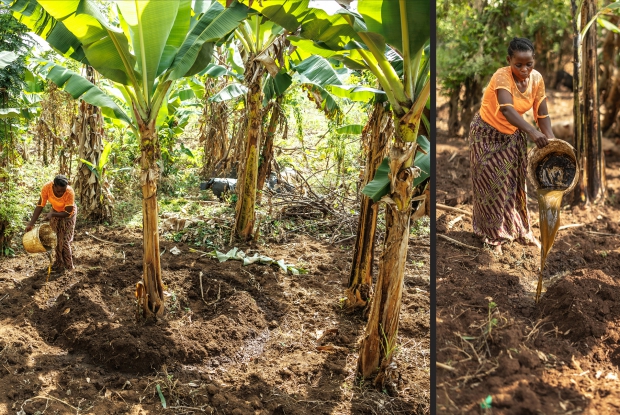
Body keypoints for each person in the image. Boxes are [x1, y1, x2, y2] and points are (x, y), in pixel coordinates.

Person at [469, 37, 552, 255]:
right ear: (509, 60)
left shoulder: (536, 79)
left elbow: (542, 114)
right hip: (486, 135)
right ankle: (493, 235)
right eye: (518, 64)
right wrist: (533, 132)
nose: (524, 69)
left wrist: (551, 141)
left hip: (513, 135)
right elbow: (506, 109)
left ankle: (520, 230)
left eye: (529, 64)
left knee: (514, 185)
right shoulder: (501, 76)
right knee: (492, 185)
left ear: (534, 60)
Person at [25, 175, 77, 273]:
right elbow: (40, 206)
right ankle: (59, 264)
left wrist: (52, 214)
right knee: (55, 239)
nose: (61, 193)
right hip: (55, 211)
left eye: (63, 190)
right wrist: (31, 223)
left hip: (68, 215)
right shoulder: (47, 188)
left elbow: (67, 212)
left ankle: (69, 268)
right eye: (58, 191)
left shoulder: (69, 192)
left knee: (65, 241)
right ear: (53, 186)